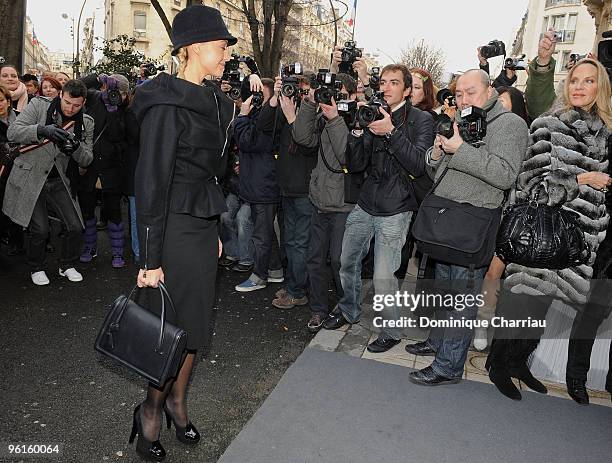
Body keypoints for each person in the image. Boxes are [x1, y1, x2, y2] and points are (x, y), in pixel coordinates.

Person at [128, 5, 236, 461]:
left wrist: (212, 224)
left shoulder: (216, 101)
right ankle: (150, 412)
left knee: (195, 327)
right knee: (169, 330)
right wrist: (150, 259)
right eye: (220, 44)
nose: (228, 52)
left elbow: (213, 173)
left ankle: (177, 401)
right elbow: (151, 182)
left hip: (199, 225)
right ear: (192, 48)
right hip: (169, 229)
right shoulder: (167, 102)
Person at [486, 59, 612, 402]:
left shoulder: (607, 133)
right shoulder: (548, 125)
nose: (579, 87)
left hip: (579, 241)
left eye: (588, 81)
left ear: (600, 87)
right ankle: (498, 364)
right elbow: (531, 186)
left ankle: (517, 363)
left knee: (541, 310)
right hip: (544, 232)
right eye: (574, 80)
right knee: (523, 303)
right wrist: (583, 179)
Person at [406, 69, 528, 385]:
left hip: (472, 225)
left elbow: (504, 174)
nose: (463, 99)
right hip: (445, 219)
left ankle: (448, 366)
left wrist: (459, 149)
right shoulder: (463, 119)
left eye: (470, 92)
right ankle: (436, 342)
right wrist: (437, 152)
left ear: (489, 91)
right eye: (459, 93)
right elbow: (439, 173)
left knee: (462, 301)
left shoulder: (510, 125)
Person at [323, 64, 435, 353]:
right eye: (383, 82)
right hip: (365, 203)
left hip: (397, 209)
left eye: (394, 83)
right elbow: (355, 165)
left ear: (407, 90)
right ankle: (349, 310)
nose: (385, 87)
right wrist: (358, 131)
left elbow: (419, 165)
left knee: (385, 278)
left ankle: (391, 330)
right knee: (344, 262)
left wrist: (392, 132)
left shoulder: (421, 120)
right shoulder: (370, 112)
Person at [3, 79, 94, 285]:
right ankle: (36, 266)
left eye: (77, 105)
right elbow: (13, 132)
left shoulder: (86, 122)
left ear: (84, 102)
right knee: (40, 229)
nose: (71, 109)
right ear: (61, 95)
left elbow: (87, 158)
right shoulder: (38, 105)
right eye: (68, 103)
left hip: (58, 179)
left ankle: (67, 265)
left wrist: (75, 149)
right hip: (30, 176)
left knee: (75, 226)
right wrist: (41, 130)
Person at [291, 73, 358, 330]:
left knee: (340, 261)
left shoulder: (356, 121)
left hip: (344, 205)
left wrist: (336, 119)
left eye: (338, 94)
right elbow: (302, 138)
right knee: (315, 259)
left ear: (351, 96)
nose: (331, 99)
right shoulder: (323, 116)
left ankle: (345, 307)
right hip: (319, 201)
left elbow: (346, 156)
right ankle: (318, 309)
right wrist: (309, 104)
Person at [256, 74, 318, 309]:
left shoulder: (315, 112)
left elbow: (307, 144)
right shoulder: (284, 106)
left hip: (304, 190)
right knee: (290, 242)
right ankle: (294, 284)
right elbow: (262, 126)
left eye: (302, 89)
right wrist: (274, 100)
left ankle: (297, 291)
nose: (297, 93)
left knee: (300, 243)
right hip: (286, 188)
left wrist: (294, 115)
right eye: (293, 88)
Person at [233, 79, 285, 292]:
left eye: (260, 96)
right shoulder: (260, 115)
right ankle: (275, 270)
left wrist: (242, 115)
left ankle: (259, 276)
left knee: (261, 235)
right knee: (265, 232)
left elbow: (246, 141)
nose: (255, 99)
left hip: (264, 185)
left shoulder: (269, 118)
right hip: (258, 183)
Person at [77, 73, 130, 268]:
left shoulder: (124, 109)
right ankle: (90, 248)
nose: (118, 95)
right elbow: (78, 85)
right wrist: (99, 79)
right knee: (88, 210)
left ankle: (117, 253)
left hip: (111, 168)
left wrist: (113, 110)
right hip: (90, 166)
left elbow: (117, 136)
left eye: (122, 92)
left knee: (114, 212)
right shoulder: (93, 98)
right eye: (115, 90)